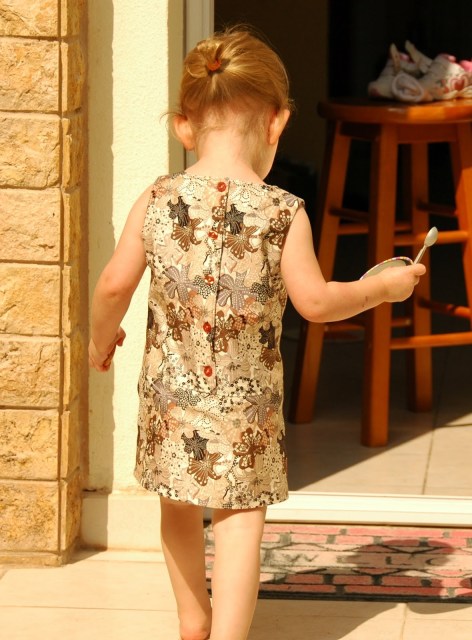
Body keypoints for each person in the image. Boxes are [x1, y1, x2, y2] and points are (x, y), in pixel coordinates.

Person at [89, 27, 426, 640]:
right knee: (240, 518)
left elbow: (113, 284)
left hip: (170, 400)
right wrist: (379, 289)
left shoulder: (158, 198)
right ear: (277, 123)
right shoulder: (282, 212)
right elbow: (316, 302)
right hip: (247, 409)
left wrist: (99, 339)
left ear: (184, 126)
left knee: (177, 505)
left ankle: (193, 620)